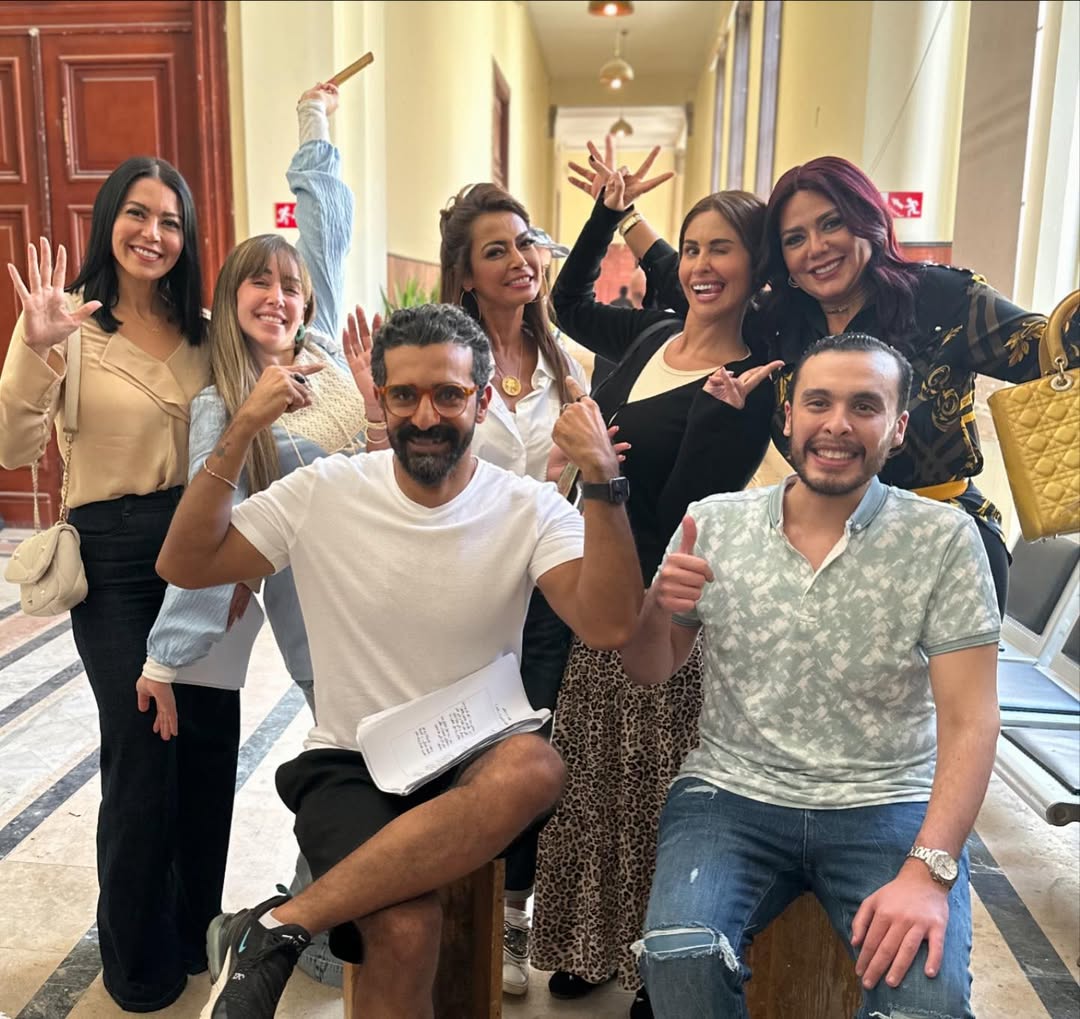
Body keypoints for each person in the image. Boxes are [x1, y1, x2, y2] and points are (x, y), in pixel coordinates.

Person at [153, 302, 643, 1018]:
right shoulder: (325, 490)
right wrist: (241, 431)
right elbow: (185, 562)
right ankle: (275, 930)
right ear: (380, 399)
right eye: (405, 395)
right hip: (353, 760)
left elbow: (611, 623)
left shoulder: (528, 506)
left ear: (481, 400)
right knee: (407, 932)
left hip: (472, 754)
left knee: (537, 766)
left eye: (448, 394)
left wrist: (601, 476)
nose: (425, 415)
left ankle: (275, 925)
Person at [621, 333, 1001, 1019]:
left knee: (926, 1004)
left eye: (865, 406)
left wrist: (929, 870)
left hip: (887, 799)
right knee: (680, 954)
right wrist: (655, 608)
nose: (837, 424)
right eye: (819, 402)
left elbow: (971, 717)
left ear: (898, 427)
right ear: (789, 414)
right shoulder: (714, 523)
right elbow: (650, 668)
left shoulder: (941, 539)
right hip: (731, 793)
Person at [134, 81, 375, 991]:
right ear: (229, 298)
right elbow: (207, 537)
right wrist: (166, 656)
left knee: (373, 758)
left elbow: (327, 231)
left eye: (289, 284)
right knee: (349, 755)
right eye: (258, 283)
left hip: (389, 588)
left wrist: (316, 127)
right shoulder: (222, 404)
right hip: (319, 615)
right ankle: (302, 921)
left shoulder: (327, 354)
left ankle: (305, 913)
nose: (277, 296)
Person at [529, 147, 780, 1017]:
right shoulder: (652, 335)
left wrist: (614, 462)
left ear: (756, 267)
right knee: (591, 779)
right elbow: (565, 304)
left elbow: (685, 515)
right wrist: (609, 214)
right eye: (692, 247)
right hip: (598, 581)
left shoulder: (749, 380)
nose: (703, 265)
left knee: (652, 793)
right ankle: (590, 942)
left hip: (662, 607)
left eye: (723, 249)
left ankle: (654, 965)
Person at [611, 154, 1080, 614]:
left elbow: (1049, 351)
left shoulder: (941, 298)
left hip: (944, 546)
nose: (816, 248)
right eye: (795, 239)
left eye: (831, 223)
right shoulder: (779, 325)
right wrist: (623, 215)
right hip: (824, 552)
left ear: (868, 219)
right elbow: (697, 278)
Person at [0, 159, 212, 1010]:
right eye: (137, 213)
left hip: (201, 554)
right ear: (109, 223)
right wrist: (35, 347)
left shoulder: (205, 333)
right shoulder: (70, 323)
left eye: (171, 220)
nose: (153, 234)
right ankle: (135, 956)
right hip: (116, 561)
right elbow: (14, 447)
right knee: (140, 750)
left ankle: (193, 928)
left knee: (204, 746)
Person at [438, 183, 590, 995]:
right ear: (466, 274)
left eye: (526, 243)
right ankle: (457, 903)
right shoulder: (450, 360)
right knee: (466, 745)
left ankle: (513, 910)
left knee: (533, 742)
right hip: (466, 585)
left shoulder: (569, 363)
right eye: (496, 250)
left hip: (548, 590)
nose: (520, 260)